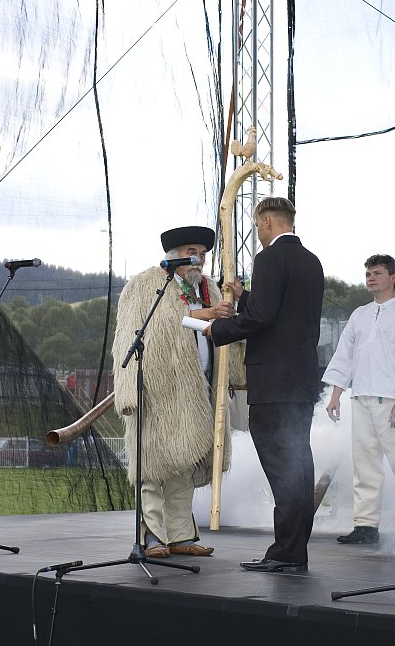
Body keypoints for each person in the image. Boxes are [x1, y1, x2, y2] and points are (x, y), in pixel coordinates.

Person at [204, 197, 324, 573]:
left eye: (258, 226)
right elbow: (282, 313)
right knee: (299, 465)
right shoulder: (311, 261)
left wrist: (217, 330)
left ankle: (286, 553)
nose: (258, 233)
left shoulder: (269, 259)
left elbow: (262, 318)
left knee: (283, 468)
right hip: (301, 380)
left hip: (273, 382)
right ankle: (294, 550)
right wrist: (245, 297)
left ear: (269, 221)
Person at [112, 225, 243, 558]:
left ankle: (181, 535)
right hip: (157, 392)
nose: (196, 257)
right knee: (153, 466)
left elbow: (228, 331)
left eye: (201, 251)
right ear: (172, 255)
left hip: (197, 392)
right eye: (189, 250)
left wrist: (230, 313)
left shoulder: (211, 289)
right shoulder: (144, 286)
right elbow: (134, 334)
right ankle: (152, 536)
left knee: (182, 465)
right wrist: (128, 392)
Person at [323, 255, 395, 545]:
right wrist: (336, 394)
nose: (370, 278)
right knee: (364, 464)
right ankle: (366, 526)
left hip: (392, 400)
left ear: (393, 277)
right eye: (367, 273)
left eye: (377, 273)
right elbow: (345, 356)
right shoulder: (360, 314)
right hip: (362, 396)